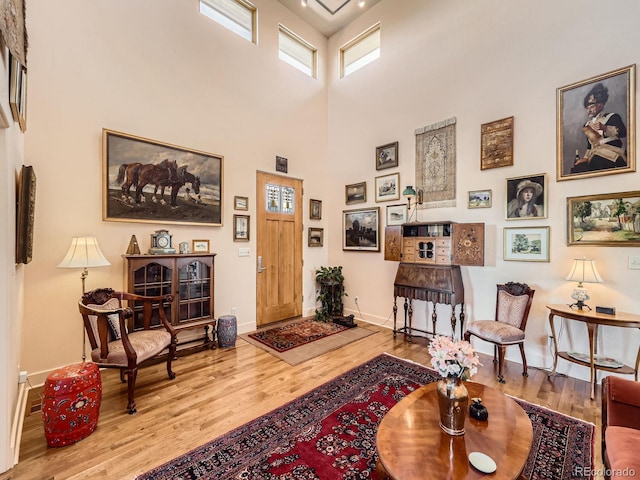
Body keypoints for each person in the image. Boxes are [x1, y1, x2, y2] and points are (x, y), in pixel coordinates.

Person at [571, 83, 627, 173]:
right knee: (578, 168)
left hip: (613, 154)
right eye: (587, 108)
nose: (588, 110)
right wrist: (585, 158)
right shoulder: (587, 124)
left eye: (591, 107)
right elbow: (590, 146)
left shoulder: (612, 117)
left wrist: (605, 128)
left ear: (600, 105)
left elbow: (623, 133)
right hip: (594, 156)